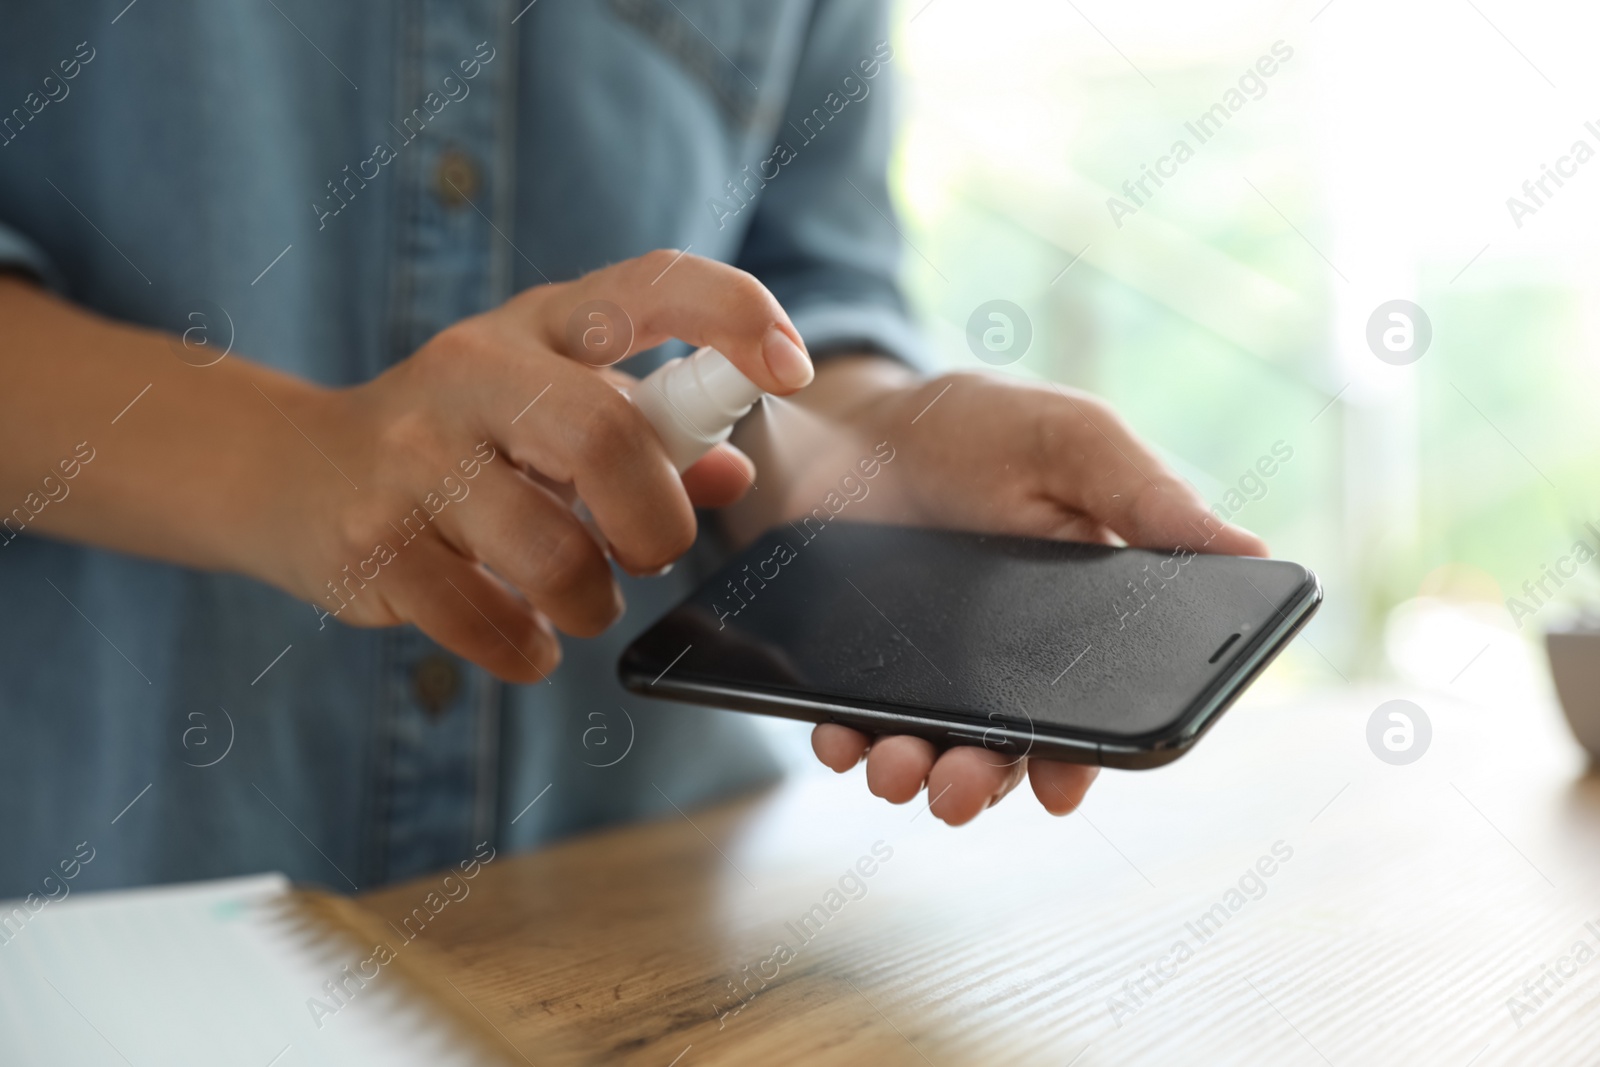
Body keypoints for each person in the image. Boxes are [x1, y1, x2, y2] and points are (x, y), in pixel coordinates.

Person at [0, 1, 1264, 897]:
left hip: (656, 912)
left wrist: (862, 454)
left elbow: (810, 291)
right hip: (125, 898)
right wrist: (295, 462)